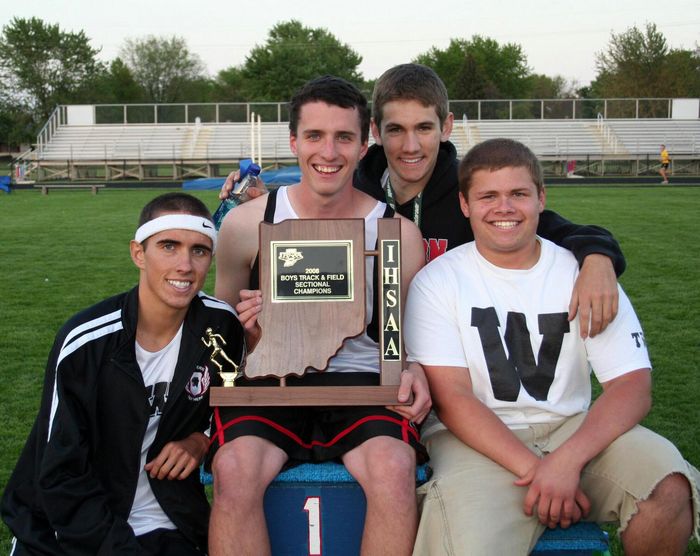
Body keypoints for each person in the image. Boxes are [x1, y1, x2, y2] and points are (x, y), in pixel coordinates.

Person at [404, 138, 699, 555]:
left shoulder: (584, 274)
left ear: (541, 198)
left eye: (518, 194)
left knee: (666, 484)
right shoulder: (437, 281)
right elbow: (453, 399)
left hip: (570, 429)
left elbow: (632, 385)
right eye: (488, 196)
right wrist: (539, 471)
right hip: (474, 441)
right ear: (465, 205)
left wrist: (566, 461)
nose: (504, 208)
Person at [220, 63, 625, 339]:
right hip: (373, 358)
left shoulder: (472, 193)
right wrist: (265, 202)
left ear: (446, 127)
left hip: (459, 355)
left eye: (424, 128)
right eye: (396, 129)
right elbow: (311, 219)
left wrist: (598, 258)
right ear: (375, 131)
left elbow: (549, 226)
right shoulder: (357, 192)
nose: (410, 146)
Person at [209, 76, 431, 556]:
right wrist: (251, 333)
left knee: (395, 468)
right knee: (234, 468)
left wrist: (413, 368)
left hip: (364, 383)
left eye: (343, 137)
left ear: (364, 144)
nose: (328, 152)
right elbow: (222, 333)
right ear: (294, 141)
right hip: (271, 382)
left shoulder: (397, 233)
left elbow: (406, 339)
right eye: (314, 136)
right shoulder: (246, 224)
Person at [1, 193, 246, 555]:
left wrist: (201, 439)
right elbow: (59, 472)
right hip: (69, 527)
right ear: (138, 253)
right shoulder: (85, 343)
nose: (185, 265)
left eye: (199, 250)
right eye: (168, 246)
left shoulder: (221, 326)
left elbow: (233, 405)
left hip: (167, 519)